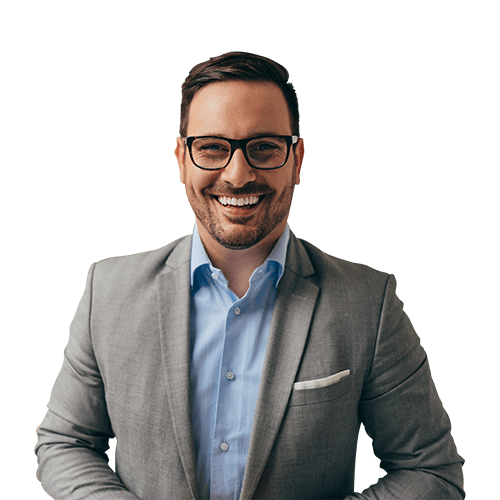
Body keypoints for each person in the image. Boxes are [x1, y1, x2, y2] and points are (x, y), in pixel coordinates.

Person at [35, 51, 464, 499]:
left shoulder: (369, 303)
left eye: (264, 148)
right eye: (212, 148)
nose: (238, 176)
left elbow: (431, 471)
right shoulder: (108, 290)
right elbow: (66, 442)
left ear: (298, 160)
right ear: (182, 159)